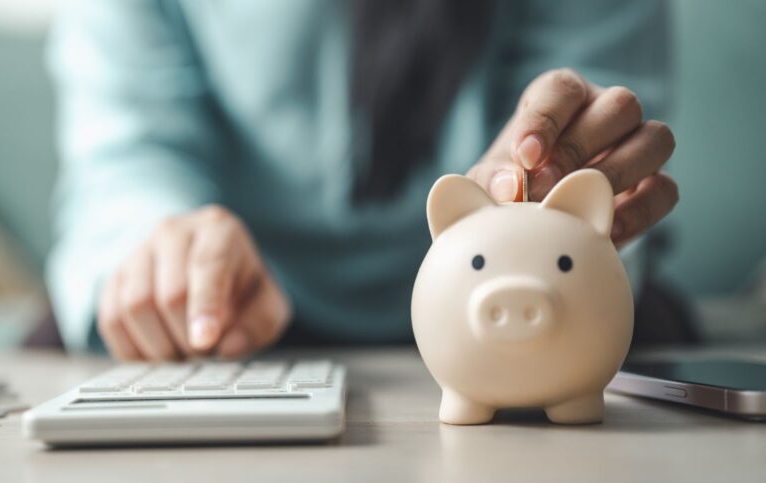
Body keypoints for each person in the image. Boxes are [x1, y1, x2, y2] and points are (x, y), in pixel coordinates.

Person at [46, 0, 678, 360]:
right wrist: (159, 242)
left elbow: (596, 99)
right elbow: (127, 141)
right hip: (238, 303)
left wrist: (566, 171)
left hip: (527, 282)